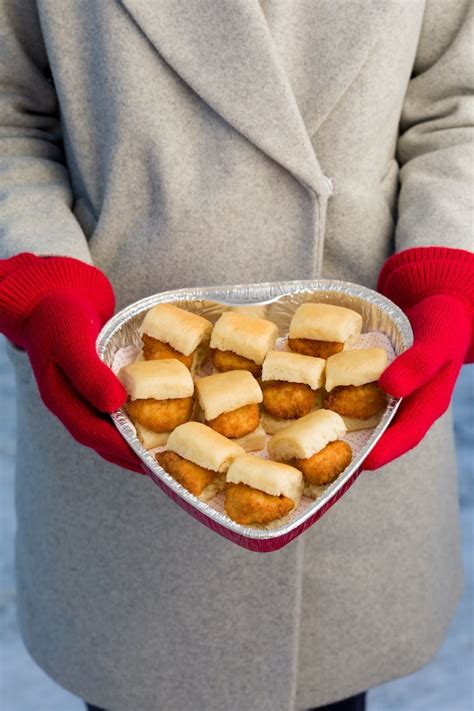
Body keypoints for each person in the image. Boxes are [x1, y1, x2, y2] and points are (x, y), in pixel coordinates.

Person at [0, 1, 472, 710]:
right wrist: (40, 281)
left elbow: (456, 104)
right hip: (120, 430)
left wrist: (448, 263)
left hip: (358, 413)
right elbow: (9, 114)